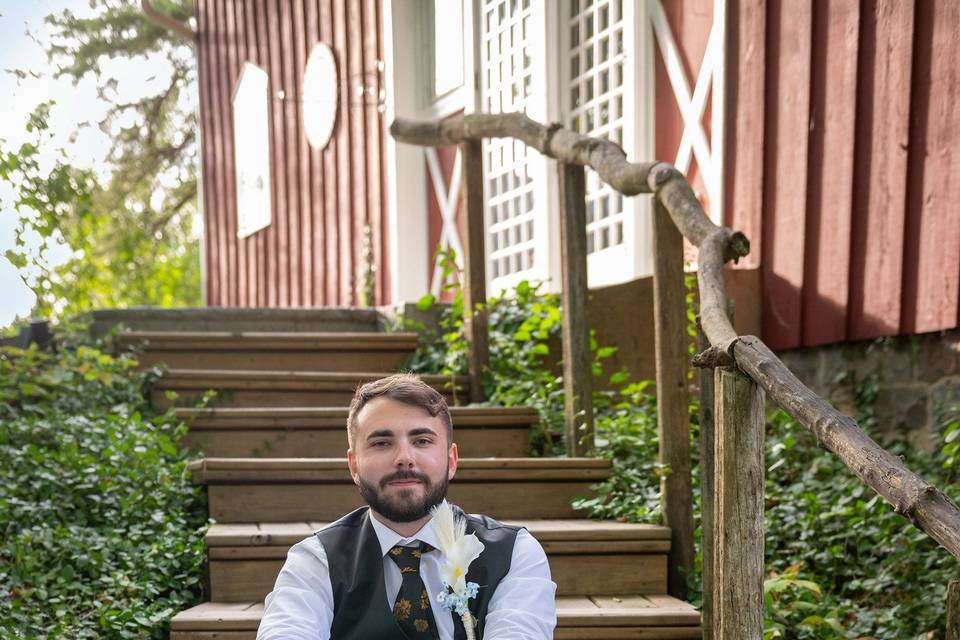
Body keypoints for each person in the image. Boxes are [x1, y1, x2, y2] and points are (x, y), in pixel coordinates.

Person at [256, 373, 557, 640]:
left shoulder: (513, 553)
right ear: (354, 466)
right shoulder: (316, 559)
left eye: (422, 440)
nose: (404, 458)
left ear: (451, 461)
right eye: (382, 443)